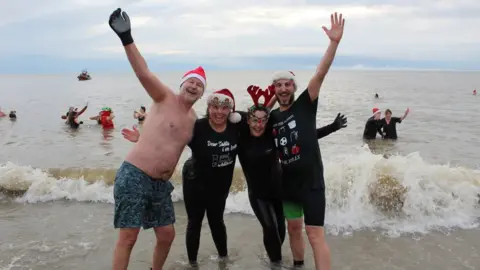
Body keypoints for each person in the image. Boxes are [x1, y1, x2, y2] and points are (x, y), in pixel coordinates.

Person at [108, 8, 206, 270]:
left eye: (199, 85)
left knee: (167, 235)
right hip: (135, 175)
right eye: (191, 82)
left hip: (160, 186)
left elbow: (168, 140)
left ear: (201, 94)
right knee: (128, 237)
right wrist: (126, 38)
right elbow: (143, 73)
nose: (194, 86)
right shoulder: (164, 97)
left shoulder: (194, 121)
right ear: (183, 84)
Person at [122, 88, 242, 268]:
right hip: (195, 181)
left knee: (217, 221)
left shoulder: (236, 128)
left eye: (224, 108)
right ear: (208, 107)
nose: (219, 112)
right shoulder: (198, 126)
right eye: (215, 106)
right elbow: (170, 139)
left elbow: (258, 121)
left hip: (220, 185)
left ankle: (223, 260)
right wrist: (142, 138)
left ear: (231, 111)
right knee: (194, 222)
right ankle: (192, 264)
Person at [267, 12, 345, 270]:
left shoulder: (305, 104)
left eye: (287, 84)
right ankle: (298, 266)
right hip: (287, 184)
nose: (283, 89)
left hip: (312, 183)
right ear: (274, 90)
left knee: (315, 234)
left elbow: (320, 73)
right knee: (293, 229)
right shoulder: (273, 117)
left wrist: (333, 43)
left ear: (293, 86)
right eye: (278, 85)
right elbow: (253, 123)